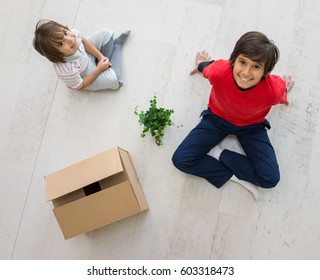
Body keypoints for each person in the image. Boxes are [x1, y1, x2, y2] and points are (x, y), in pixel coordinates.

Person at [172, 31, 295, 200]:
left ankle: (218, 153)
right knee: (181, 160)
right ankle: (231, 176)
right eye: (242, 62)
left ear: (265, 72)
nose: (246, 72)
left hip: (251, 127)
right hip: (217, 119)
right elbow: (206, 68)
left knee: (270, 179)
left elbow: (281, 92)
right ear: (233, 60)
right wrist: (201, 64)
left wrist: (285, 91)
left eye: (256, 67)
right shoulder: (219, 72)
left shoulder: (272, 90)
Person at [33, 19, 130, 91]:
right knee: (115, 79)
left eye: (65, 33)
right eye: (61, 43)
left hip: (86, 55)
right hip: (86, 75)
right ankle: (116, 46)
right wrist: (99, 69)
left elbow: (83, 40)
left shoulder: (73, 35)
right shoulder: (67, 70)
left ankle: (103, 64)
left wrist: (100, 56)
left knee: (106, 34)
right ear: (56, 54)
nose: (70, 39)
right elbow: (79, 86)